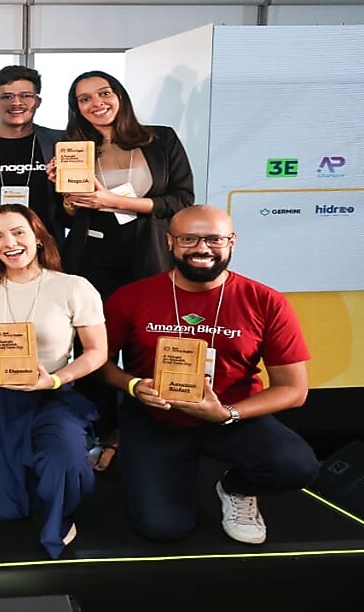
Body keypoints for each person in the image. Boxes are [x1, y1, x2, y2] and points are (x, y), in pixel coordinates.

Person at [99, 205, 318, 545]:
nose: (202, 248)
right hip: (156, 419)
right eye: (189, 239)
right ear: (170, 241)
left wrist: (228, 414)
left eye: (214, 239)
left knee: (297, 466)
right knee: (163, 528)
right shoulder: (131, 297)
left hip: (231, 416)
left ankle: (236, 488)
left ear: (232, 242)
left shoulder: (266, 301)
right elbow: (100, 362)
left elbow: (294, 389)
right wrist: (132, 385)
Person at [51, 70, 194, 471]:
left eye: (104, 93)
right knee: (95, 347)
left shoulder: (160, 138)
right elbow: (66, 215)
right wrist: (65, 195)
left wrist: (114, 200)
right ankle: (107, 431)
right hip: (91, 259)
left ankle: (154, 423)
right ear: (75, 108)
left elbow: (182, 200)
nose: (96, 103)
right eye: (83, 99)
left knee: (150, 343)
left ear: (120, 96)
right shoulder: (74, 148)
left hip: (150, 255)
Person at [0, 204, 107, 559]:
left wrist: (54, 380)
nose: (10, 242)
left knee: (65, 462)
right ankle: (34, 478)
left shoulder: (72, 286)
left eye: (18, 232)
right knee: (3, 510)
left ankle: (60, 512)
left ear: (37, 236)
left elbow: (96, 353)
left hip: (53, 393)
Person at [0, 65, 65, 244]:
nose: (16, 102)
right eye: (6, 96)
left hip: (46, 245)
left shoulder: (59, 142)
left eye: (25, 96)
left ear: (38, 101)